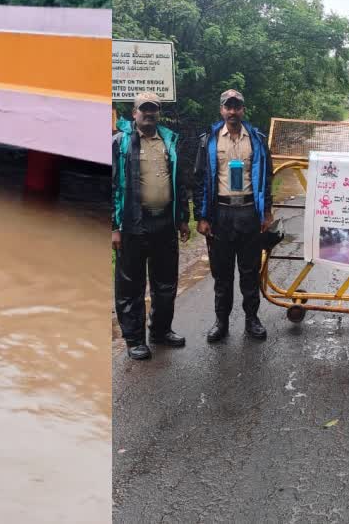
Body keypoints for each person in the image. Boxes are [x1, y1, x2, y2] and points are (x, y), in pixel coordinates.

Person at [112, 92, 190, 360]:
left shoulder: (169, 141)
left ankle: (160, 331)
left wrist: (182, 218)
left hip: (164, 222)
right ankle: (134, 339)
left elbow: (180, 183)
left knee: (166, 282)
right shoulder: (120, 143)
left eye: (153, 109)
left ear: (158, 113)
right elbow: (110, 186)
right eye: (143, 109)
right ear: (134, 113)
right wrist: (114, 226)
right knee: (131, 285)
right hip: (134, 224)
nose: (148, 114)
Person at [192, 89, 274, 342]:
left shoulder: (257, 139)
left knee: (250, 271)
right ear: (221, 110)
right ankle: (221, 322)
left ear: (243, 109)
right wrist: (201, 216)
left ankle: (252, 320)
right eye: (228, 107)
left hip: (249, 212)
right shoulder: (209, 140)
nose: (232, 111)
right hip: (221, 214)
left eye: (237, 106)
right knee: (222, 274)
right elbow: (199, 179)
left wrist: (267, 212)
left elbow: (267, 178)